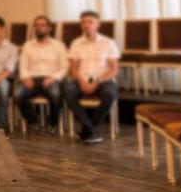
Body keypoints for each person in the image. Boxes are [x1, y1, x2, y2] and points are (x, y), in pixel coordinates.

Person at [64, 10, 120, 144]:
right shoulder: (76, 43)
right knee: (68, 91)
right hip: (81, 78)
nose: (86, 25)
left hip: (103, 79)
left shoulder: (108, 43)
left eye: (90, 22)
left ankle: (87, 129)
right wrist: (82, 81)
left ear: (97, 25)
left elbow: (114, 69)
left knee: (110, 94)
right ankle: (90, 129)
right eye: (83, 22)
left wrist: (97, 81)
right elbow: (73, 69)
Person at [15, 15, 68, 133]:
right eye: (37, 25)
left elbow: (64, 67)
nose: (39, 28)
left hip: (51, 78)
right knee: (18, 95)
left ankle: (52, 124)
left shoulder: (59, 45)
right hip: (32, 78)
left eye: (42, 25)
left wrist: (53, 78)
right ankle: (33, 121)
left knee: (55, 94)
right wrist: (25, 77)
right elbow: (23, 65)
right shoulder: (28, 45)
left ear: (49, 28)